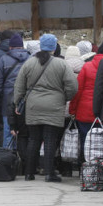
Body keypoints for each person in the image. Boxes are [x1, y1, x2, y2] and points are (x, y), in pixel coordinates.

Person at [14, 33, 78, 182]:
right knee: (50, 140)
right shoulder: (61, 64)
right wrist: (65, 97)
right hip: (54, 106)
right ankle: (50, 174)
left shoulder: (29, 63)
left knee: (33, 139)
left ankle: (29, 173)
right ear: (54, 48)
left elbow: (19, 85)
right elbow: (73, 86)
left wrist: (17, 102)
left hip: (33, 106)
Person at [69, 37, 103, 165]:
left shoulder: (87, 66)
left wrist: (73, 110)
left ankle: (87, 169)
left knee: (86, 141)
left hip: (85, 112)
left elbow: (77, 91)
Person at [0, 33, 30, 148]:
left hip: (8, 102)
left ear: (10, 47)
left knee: (8, 132)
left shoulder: (3, 60)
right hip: (27, 102)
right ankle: (25, 162)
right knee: (26, 134)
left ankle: (8, 161)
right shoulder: (31, 59)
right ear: (22, 46)